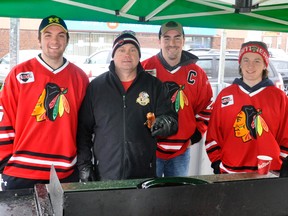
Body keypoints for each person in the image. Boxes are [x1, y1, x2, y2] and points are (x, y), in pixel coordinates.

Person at [0, 15, 89, 190]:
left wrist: (81, 164)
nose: (54, 40)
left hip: (64, 173)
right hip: (20, 171)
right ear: (39, 40)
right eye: (48, 35)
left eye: (60, 35)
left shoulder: (79, 77)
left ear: (67, 40)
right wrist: (4, 163)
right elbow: (5, 118)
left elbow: (84, 126)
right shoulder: (19, 74)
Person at [76, 31, 178, 181]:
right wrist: (84, 165)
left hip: (143, 173)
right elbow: (83, 131)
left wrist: (166, 123)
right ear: (113, 55)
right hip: (106, 172)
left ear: (139, 55)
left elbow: (172, 120)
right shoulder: (96, 87)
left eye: (132, 50)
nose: (127, 55)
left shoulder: (154, 86)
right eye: (121, 50)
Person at [141, 21, 213, 177]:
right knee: (149, 199)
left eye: (177, 38)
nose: (171, 43)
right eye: (166, 38)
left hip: (180, 152)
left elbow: (206, 107)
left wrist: (194, 136)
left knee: (178, 199)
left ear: (184, 40)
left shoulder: (196, 73)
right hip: (150, 152)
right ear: (159, 40)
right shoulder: (144, 69)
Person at [205, 41, 288, 174]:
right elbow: (213, 134)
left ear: (265, 64)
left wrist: (284, 164)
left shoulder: (279, 97)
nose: (250, 65)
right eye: (246, 60)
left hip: (268, 173)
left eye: (257, 60)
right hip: (230, 172)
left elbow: (286, 135)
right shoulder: (225, 95)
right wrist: (217, 162)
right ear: (240, 63)